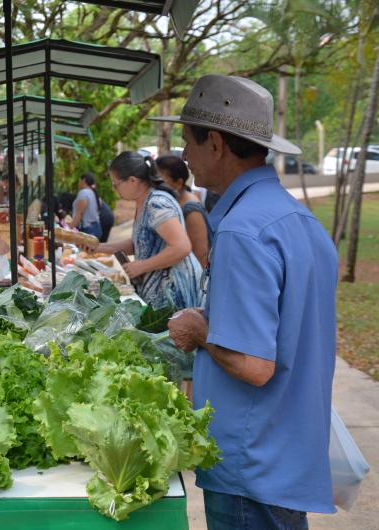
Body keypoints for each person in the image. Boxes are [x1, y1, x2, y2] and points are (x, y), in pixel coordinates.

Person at [158, 75, 338, 529]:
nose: (184, 157)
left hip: (249, 465)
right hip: (285, 453)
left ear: (216, 143)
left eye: (188, 143)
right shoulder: (296, 218)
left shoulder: (243, 230)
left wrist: (200, 330)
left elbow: (255, 365)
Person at [94, 152, 203, 310]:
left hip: (175, 292)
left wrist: (142, 266)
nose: (114, 189)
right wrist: (101, 248)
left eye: (115, 183)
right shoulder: (144, 202)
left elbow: (181, 247)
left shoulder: (156, 203)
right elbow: (140, 242)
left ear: (132, 180)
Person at [156, 155, 211, 268]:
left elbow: (201, 254)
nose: (155, 185)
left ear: (179, 183)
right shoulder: (171, 202)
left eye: (161, 181)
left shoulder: (191, 210)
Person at [68, 172, 102, 239]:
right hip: (96, 228)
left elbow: (80, 213)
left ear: (83, 180)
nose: (78, 183)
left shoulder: (83, 193)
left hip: (88, 230)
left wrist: (69, 228)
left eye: (79, 181)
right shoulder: (93, 193)